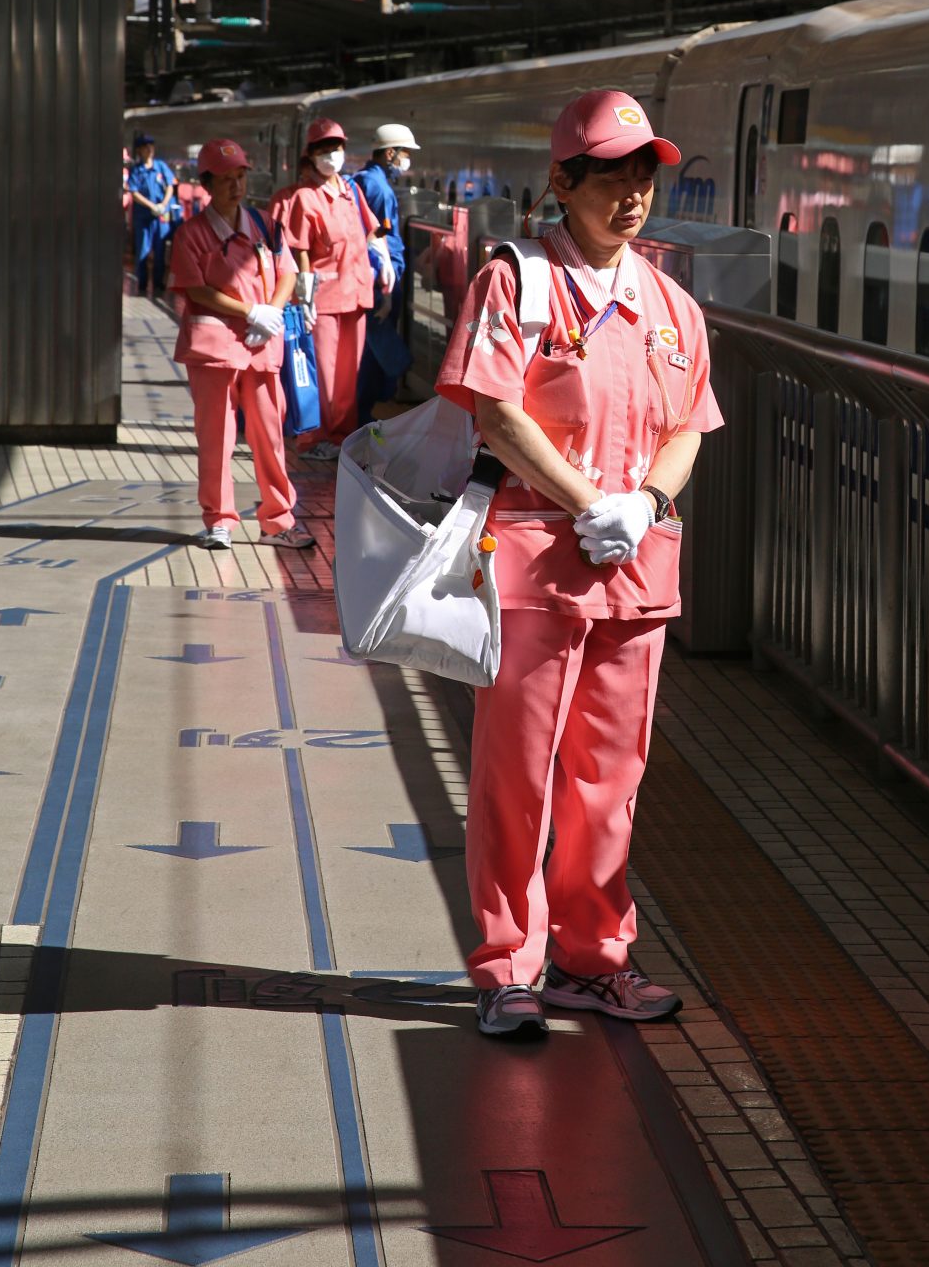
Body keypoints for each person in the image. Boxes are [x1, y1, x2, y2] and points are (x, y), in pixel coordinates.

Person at [437, 89, 722, 1040]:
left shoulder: (672, 305)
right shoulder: (515, 281)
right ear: (564, 181)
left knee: (611, 776)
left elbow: (688, 427)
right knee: (514, 772)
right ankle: (505, 966)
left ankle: (591, 961)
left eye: (643, 174)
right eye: (611, 174)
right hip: (530, 564)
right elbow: (495, 411)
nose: (632, 193)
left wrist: (642, 504)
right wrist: (586, 501)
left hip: (635, 574)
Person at [167, 136, 315, 552]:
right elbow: (194, 289)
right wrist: (249, 312)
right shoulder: (191, 234)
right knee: (218, 437)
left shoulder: (266, 225)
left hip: (262, 346)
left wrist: (272, 311)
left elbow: (286, 272)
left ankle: (278, 521)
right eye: (227, 179)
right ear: (207, 184)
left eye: (241, 176)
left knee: (270, 436)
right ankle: (219, 520)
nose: (236, 185)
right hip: (215, 350)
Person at [283, 118, 394, 461]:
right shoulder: (305, 197)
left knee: (348, 375)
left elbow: (372, 232)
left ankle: (343, 436)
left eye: (337, 149)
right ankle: (312, 439)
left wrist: (385, 260)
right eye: (324, 150)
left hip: (356, 293)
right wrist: (304, 289)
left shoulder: (350, 191)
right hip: (324, 297)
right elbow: (299, 247)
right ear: (312, 156)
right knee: (324, 376)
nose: (332, 156)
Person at [354, 122, 420, 425]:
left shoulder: (365, 180)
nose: (407, 160)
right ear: (390, 152)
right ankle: (370, 417)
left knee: (371, 349)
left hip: (376, 276)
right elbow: (378, 242)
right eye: (405, 153)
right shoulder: (379, 189)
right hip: (382, 278)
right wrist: (386, 284)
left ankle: (368, 414)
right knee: (376, 357)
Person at [128, 133, 177, 297]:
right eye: (146, 147)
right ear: (140, 150)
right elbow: (133, 192)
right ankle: (142, 285)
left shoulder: (161, 166)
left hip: (160, 217)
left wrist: (163, 204)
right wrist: (151, 206)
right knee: (143, 250)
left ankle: (158, 284)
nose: (150, 149)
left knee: (160, 250)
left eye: (151, 146)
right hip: (143, 217)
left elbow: (170, 185)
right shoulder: (136, 170)